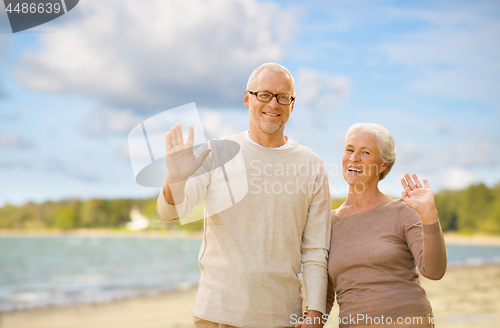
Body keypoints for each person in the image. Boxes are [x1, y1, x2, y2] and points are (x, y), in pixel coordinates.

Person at [156, 63, 331, 328]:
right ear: (247, 98)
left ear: (292, 105)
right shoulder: (216, 152)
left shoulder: (313, 164)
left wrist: (316, 313)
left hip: (284, 316)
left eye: (283, 97)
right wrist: (175, 179)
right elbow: (170, 212)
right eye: (264, 94)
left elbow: (316, 249)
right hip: (218, 313)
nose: (273, 104)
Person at [324, 123, 447, 328]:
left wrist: (429, 215)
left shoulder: (403, 211)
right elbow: (325, 294)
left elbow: (434, 271)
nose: (354, 158)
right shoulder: (327, 222)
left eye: (366, 152)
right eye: (350, 149)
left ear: (383, 165)